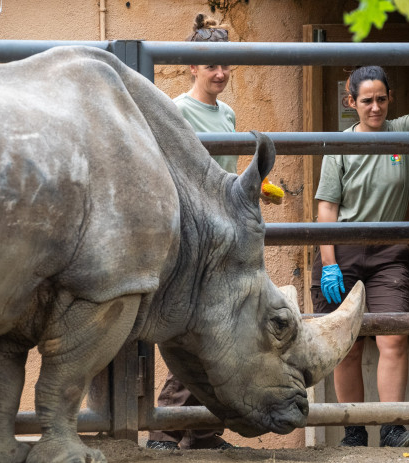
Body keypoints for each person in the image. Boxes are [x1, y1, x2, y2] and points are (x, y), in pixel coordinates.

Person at [311, 65, 409, 448]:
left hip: (389, 251)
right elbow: (326, 208)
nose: (375, 107)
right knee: (348, 345)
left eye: (381, 99)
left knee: (394, 338)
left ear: (391, 99)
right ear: (350, 101)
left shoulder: (402, 131)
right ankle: (354, 430)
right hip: (343, 247)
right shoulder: (339, 145)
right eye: (366, 100)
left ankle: (391, 426)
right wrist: (329, 263)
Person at [145, 13, 238, 451]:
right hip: (192, 239)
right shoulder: (177, 111)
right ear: (193, 67)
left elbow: (224, 173)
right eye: (211, 65)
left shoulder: (229, 114)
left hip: (224, 235)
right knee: (191, 333)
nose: (220, 73)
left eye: (225, 64)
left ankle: (200, 430)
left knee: (217, 333)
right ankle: (165, 430)